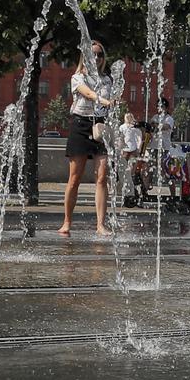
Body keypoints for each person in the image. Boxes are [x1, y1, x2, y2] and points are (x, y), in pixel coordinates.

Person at [60, 39, 113, 238]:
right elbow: (88, 93)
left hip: (99, 127)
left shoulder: (108, 79)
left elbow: (111, 101)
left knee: (102, 177)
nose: (97, 58)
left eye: (100, 54)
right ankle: (67, 222)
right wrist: (102, 99)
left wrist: (113, 103)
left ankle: (100, 225)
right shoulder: (77, 77)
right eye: (93, 55)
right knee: (75, 178)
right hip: (80, 125)